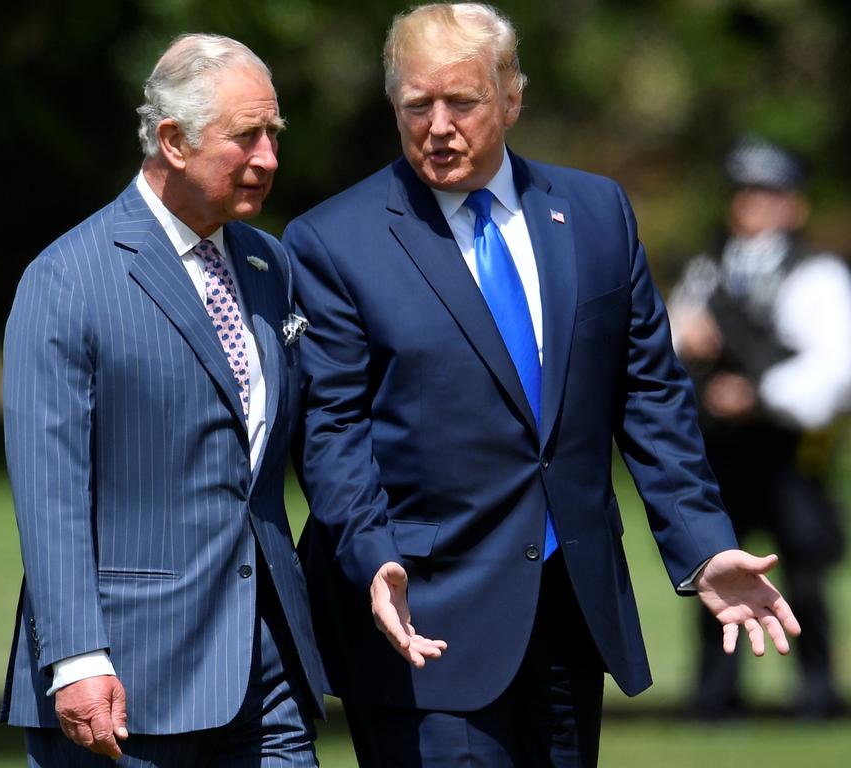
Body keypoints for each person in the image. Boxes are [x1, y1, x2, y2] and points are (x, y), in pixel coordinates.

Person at [284, 4, 801, 766]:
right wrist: (369, 553)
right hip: (421, 616)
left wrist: (702, 546)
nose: (438, 126)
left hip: (571, 615)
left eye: (462, 102)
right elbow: (332, 429)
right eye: (416, 105)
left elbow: (652, 395)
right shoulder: (333, 240)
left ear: (512, 98)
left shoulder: (596, 213)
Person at [0, 33, 324, 767]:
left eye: (273, 134)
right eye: (246, 137)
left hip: (269, 670)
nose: (269, 157)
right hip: (128, 685)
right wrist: (77, 658)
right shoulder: (68, 279)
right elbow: (50, 492)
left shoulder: (270, 264)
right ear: (173, 141)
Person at [669, 137, 851, 719]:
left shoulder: (815, 273)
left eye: (767, 194)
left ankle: (817, 691)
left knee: (805, 570)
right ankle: (715, 694)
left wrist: (758, 393)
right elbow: (669, 339)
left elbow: (832, 367)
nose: (752, 205)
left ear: (791, 204)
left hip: (789, 453)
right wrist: (687, 342)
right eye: (745, 193)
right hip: (723, 453)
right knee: (717, 566)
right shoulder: (709, 267)